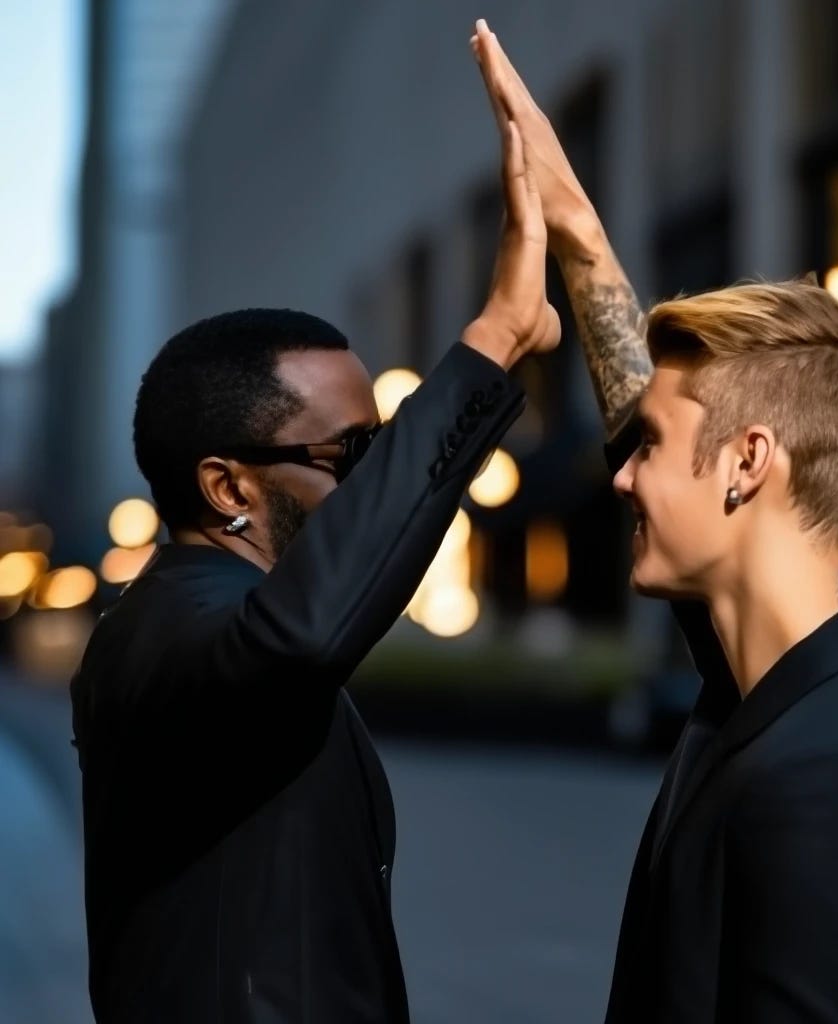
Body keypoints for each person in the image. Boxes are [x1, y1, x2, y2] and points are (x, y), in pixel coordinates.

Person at [472, 21, 838, 1023]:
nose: (622, 479)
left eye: (649, 447)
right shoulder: (763, 685)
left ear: (747, 464)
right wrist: (575, 232)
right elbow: (643, 413)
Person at [70, 107, 559, 1023]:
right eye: (350, 455)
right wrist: (494, 338)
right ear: (228, 489)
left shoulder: (213, 619)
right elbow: (301, 640)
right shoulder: (169, 633)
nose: (375, 479)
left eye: (384, 445)